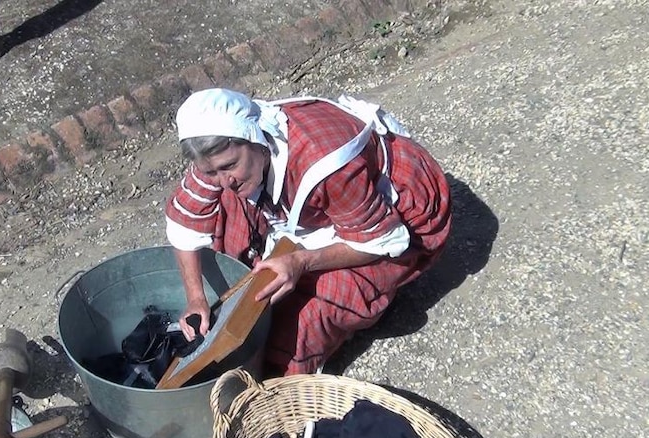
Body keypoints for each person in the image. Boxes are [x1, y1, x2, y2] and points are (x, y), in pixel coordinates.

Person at [164, 88, 452, 376]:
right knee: (227, 215)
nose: (223, 180)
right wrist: (196, 298)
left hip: (385, 214)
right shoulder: (218, 153)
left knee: (311, 316)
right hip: (321, 203)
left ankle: (373, 302)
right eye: (211, 172)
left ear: (257, 140)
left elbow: (381, 240)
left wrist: (302, 262)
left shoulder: (325, 163)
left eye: (229, 167)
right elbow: (186, 221)